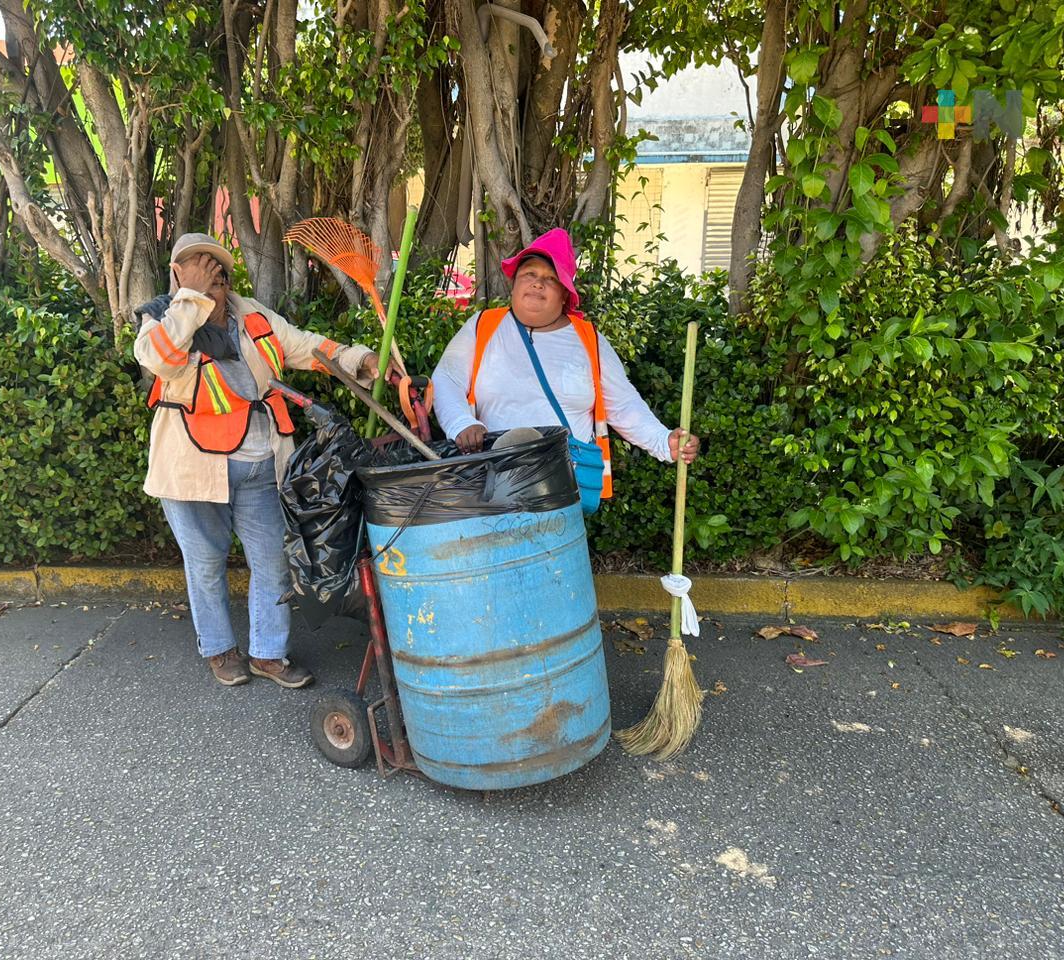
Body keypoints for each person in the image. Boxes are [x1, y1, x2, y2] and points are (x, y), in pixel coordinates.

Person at [134, 233, 388, 689]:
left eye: (215, 268)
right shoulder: (161, 318)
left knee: (273, 561)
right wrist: (189, 300)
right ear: (178, 274)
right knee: (206, 562)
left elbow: (304, 346)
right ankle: (219, 648)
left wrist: (361, 359)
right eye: (196, 267)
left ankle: (268, 654)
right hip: (191, 470)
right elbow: (161, 361)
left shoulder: (251, 313)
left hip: (260, 464)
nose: (210, 274)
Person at [432, 228, 699, 506]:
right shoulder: (483, 326)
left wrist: (662, 441)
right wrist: (462, 423)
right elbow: (446, 381)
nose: (537, 284)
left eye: (550, 278)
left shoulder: (588, 340)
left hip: (564, 492)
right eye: (529, 275)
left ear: (564, 294)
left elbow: (623, 405)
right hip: (492, 490)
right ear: (515, 284)